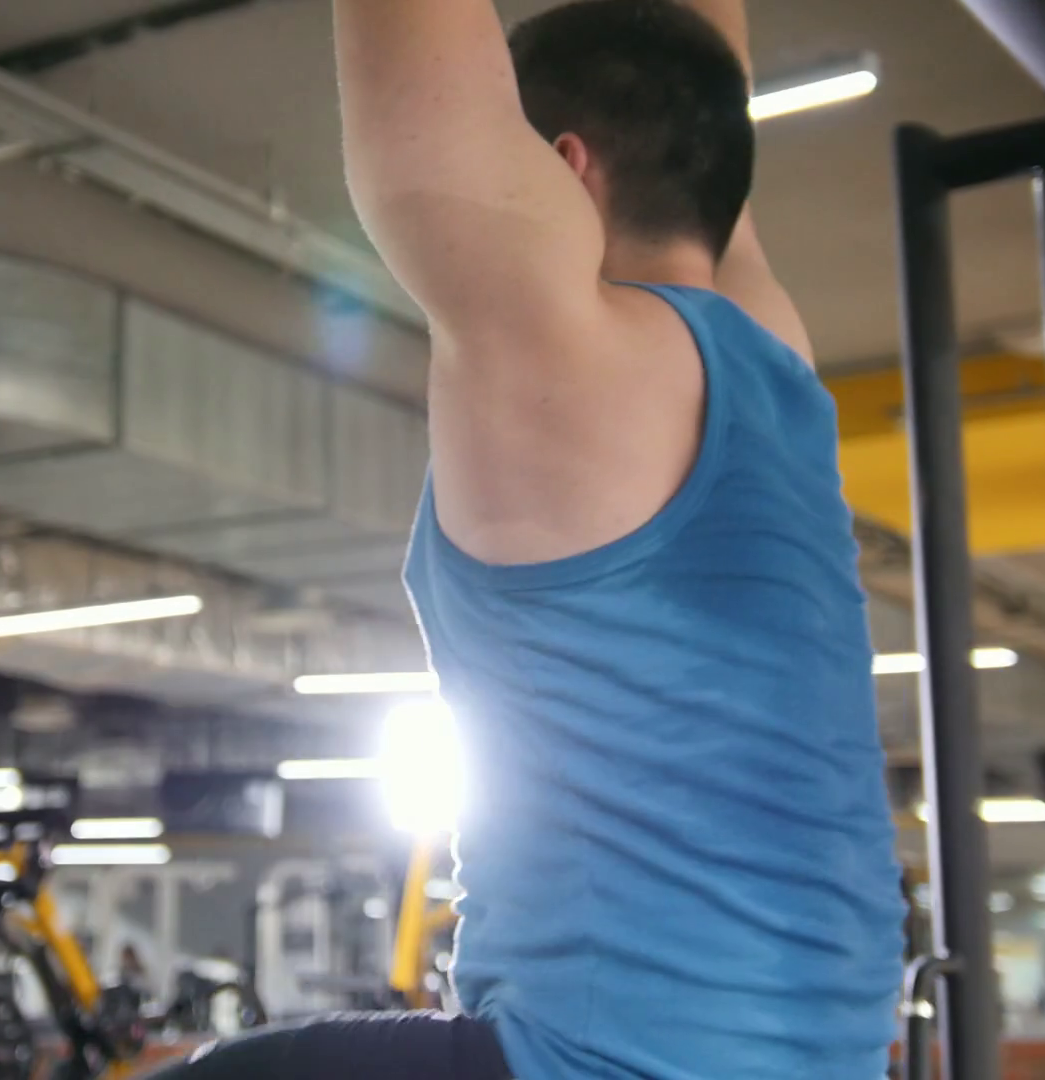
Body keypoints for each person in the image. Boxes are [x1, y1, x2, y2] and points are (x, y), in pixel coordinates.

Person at [149, 1, 904, 1076]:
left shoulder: (580, 353)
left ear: (563, 168)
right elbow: (699, 104)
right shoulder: (771, 355)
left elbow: (457, 103)